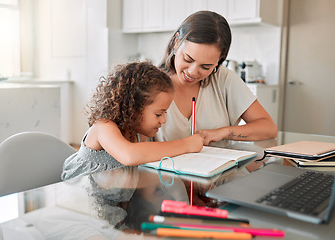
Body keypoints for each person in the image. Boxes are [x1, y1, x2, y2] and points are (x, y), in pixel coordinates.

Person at [61, 61, 203, 181]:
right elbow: (129, 155)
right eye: (159, 114)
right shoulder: (103, 127)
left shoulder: (138, 135)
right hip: (76, 202)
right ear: (133, 108)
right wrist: (186, 144)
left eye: (164, 113)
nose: (164, 120)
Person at [155, 10, 278, 145]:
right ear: (176, 42)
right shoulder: (151, 83)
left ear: (219, 61)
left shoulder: (224, 79)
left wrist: (223, 132)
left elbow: (269, 128)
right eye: (188, 59)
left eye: (206, 67)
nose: (193, 72)